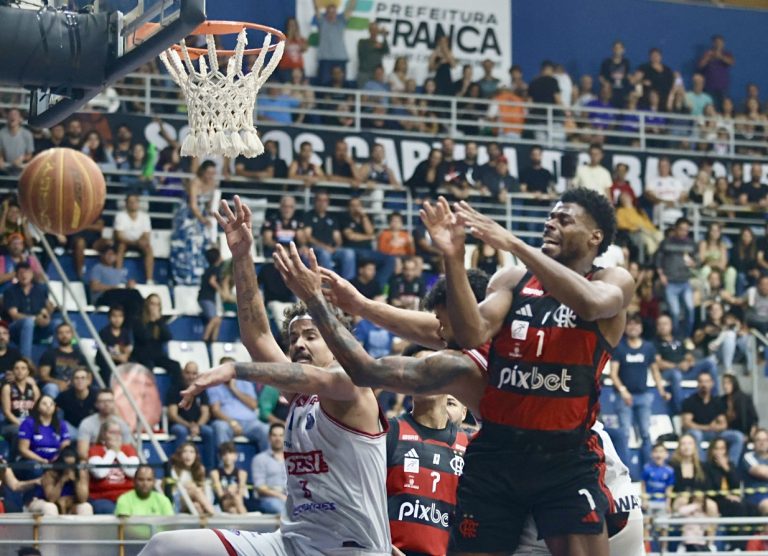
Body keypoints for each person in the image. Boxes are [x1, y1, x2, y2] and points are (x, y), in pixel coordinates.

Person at [292, 260, 645, 556]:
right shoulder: (507, 329)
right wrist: (362, 306)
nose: (439, 335)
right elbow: (430, 327)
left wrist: (319, 304)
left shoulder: (469, 364)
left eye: (445, 323)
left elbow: (368, 369)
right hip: (575, 462)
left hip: (573, 473)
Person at [138, 195, 390, 556]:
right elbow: (256, 335)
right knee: (164, 546)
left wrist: (234, 368)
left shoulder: (353, 385)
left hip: (351, 549)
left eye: (311, 336)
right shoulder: (299, 390)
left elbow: (322, 378)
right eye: (293, 338)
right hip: (289, 543)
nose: (299, 344)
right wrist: (242, 256)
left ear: (336, 343)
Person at [414, 189, 633, 554]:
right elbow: (470, 334)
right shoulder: (514, 280)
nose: (550, 222)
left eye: (564, 219)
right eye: (550, 216)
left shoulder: (613, 279)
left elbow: (591, 305)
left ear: (595, 237)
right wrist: (453, 258)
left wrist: (513, 242)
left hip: (564, 454)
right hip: (499, 451)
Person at [386, 359, 469, 555]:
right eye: (416, 373)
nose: (421, 378)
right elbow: (365, 498)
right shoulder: (389, 431)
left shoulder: (471, 446)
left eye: (429, 373)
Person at [610, 314, 668, 467]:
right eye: (629, 324)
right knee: (625, 434)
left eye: (636, 324)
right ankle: (625, 470)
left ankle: (647, 469)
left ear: (641, 328)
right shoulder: (620, 347)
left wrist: (662, 390)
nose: (633, 327)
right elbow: (613, 374)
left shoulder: (648, 347)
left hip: (643, 396)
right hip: (623, 397)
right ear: (625, 327)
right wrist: (623, 391)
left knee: (646, 434)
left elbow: (655, 371)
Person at [654, 314, 718, 415]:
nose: (663, 326)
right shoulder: (655, 343)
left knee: (710, 362)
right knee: (676, 375)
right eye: (660, 324)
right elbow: (658, 363)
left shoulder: (680, 339)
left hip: (686, 370)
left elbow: (689, 355)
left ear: (671, 325)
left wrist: (689, 362)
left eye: (665, 323)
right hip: (669, 373)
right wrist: (677, 366)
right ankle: (681, 409)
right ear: (657, 327)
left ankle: (715, 398)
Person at [208, 356, 269, 452]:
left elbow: (253, 405)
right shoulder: (214, 385)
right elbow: (215, 410)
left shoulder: (245, 382)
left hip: (250, 423)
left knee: (265, 429)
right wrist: (232, 422)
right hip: (227, 422)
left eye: (231, 368)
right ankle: (224, 464)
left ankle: (268, 463)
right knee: (220, 427)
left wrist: (234, 389)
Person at [681, 372, 745, 464]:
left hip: (714, 433)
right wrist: (706, 427)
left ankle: (731, 467)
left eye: (706, 382)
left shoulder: (717, 401)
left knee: (737, 436)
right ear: (697, 384)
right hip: (698, 432)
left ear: (712, 383)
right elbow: (687, 423)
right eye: (701, 382)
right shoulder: (689, 401)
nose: (704, 384)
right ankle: (702, 466)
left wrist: (716, 427)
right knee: (696, 434)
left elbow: (723, 424)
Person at [171, 161, 217, 285]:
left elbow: (208, 205)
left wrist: (209, 215)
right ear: (203, 171)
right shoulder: (195, 182)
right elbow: (192, 205)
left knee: (203, 244)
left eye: (213, 173)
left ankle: (198, 275)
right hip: (188, 216)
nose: (210, 175)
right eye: (208, 172)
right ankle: (184, 276)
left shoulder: (213, 184)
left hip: (202, 215)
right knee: (188, 243)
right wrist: (202, 219)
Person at [655, 217, 697, 339]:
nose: (684, 232)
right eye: (681, 229)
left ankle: (686, 337)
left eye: (686, 230)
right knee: (675, 312)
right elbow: (658, 260)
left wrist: (693, 263)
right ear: (676, 229)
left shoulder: (691, 244)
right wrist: (661, 275)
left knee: (690, 309)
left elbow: (698, 261)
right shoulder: (666, 242)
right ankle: (676, 337)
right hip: (670, 282)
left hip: (685, 282)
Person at [167, 361, 214, 471]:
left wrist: (197, 426)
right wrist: (189, 426)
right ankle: (179, 468)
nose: (190, 376)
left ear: (197, 374)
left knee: (209, 432)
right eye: (188, 373)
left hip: (197, 425)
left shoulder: (201, 389)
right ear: (183, 373)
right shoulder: (175, 388)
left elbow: (205, 412)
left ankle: (209, 470)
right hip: (180, 424)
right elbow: (172, 414)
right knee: (181, 431)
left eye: (194, 373)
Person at [86, 417, 139, 514]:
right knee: (111, 511)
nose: (116, 436)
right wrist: (111, 451)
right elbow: (100, 473)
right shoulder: (94, 450)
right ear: (103, 435)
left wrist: (118, 452)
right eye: (112, 433)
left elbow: (132, 473)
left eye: (118, 433)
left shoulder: (128, 449)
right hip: (102, 496)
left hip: (127, 495)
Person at [4, 261, 54, 358]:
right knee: (28, 322)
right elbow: (14, 315)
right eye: (21, 273)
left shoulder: (40, 290)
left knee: (58, 324)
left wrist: (46, 317)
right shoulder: (10, 291)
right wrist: (35, 319)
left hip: (37, 328)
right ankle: (25, 360)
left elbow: (45, 309)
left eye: (27, 272)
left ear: (31, 274)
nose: (24, 275)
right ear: (16, 276)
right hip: (15, 329)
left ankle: (56, 358)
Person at [303, 189, 355, 281]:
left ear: (328, 202)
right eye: (319, 200)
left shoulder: (332, 218)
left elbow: (338, 238)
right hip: (315, 249)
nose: (322, 203)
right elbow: (308, 237)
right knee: (325, 254)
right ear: (315, 201)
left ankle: (347, 284)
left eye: (325, 200)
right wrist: (325, 247)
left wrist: (336, 247)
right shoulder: (308, 216)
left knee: (349, 253)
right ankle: (330, 282)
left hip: (332, 249)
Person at [130, 294, 181, 385]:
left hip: (157, 356)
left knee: (175, 366)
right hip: (142, 356)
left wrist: (159, 321)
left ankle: (175, 395)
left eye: (157, 305)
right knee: (148, 366)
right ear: (147, 305)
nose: (154, 307)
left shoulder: (160, 322)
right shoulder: (138, 320)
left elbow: (168, 337)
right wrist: (151, 322)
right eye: (152, 304)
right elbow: (145, 337)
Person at [25, 446, 92, 515]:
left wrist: (76, 481)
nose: (69, 468)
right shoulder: (50, 473)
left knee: (85, 506)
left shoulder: (81, 473)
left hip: (69, 505)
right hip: (42, 502)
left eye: (71, 465)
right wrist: (62, 481)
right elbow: (51, 499)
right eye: (66, 465)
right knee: (50, 507)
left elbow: (83, 499)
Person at [76, 388, 133, 460]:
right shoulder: (87, 423)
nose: (106, 404)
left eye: (109, 401)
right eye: (102, 401)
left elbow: (127, 450)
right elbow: (82, 453)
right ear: (96, 404)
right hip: (94, 461)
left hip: (118, 461)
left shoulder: (122, 424)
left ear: (114, 403)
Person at [17, 395, 71, 469]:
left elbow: (66, 443)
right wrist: (41, 460)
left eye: (51, 404)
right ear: (38, 407)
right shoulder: (28, 423)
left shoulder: (61, 424)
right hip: (33, 461)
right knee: (36, 468)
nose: (48, 406)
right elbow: (23, 449)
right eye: (44, 404)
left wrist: (57, 457)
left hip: (56, 461)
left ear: (55, 407)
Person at [0, 357, 39, 458]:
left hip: (30, 421)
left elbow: (38, 410)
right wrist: (22, 424)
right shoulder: (7, 388)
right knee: (20, 431)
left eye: (23, 368)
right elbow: (7, 413)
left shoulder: (34, 388)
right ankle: (15, 459)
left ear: (28, 371)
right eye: (16, 368)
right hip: (11, 424)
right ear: (13, 371)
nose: (20, 371)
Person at [37, 323, 89, 398]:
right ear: (56, 336)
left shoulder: (79, 355)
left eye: (67, 332)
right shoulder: (49, 354)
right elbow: (43, 376)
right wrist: (59, 383)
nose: (64, 335)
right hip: (56, 386)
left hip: (75, 385)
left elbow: (88, 375)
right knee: (51, 387)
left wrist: (77, 384)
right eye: (61, 333)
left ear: (72, 335)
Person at [313, 0, 357, 85]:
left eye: (333, 11)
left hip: (340, 58)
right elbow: (316, 8)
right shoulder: (322, 21)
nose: (332, 14)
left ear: (336, 13)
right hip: (325, 59)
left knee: (341, 86)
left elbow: (350, 8)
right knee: (324, 85)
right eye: (329, 12)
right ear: (326, 13)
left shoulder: (341, 21)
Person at [114, 194, 154, 283]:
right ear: (126, 203)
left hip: (139, 243)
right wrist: (134, 242)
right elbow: (119, 236)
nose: (133, 204)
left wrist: (139, 241)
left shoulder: (145, 216)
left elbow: (146, 235)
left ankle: (149, 279)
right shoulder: (120, 216)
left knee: (148, 248)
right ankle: (117, 278)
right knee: (120, 247)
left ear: (138, 203)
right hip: (125, 242)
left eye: (135, 202)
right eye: (130, 202)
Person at [250, 423, 287, 515]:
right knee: (280, 507)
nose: (278, 439)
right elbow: (260, 487)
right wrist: (280, 496)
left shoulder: (294, 459)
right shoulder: (260, 459)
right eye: (274, 435)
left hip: (290, 497)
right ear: (269, 438)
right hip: (270, 499)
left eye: (281, 435)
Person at [169, 441, 215, 515]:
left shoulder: (200, 469)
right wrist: (185, 488)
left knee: (196, 506)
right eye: (185, 452)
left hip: (196, 501)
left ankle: (203, 525)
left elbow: (205, 491)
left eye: (191, 452)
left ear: (196, 455)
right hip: (179, 501)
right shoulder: (174, 470)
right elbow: (171, 492)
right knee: (195, 490)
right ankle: (214, 514)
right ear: (180, 455)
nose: (188, 455)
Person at [94, 305, 134, 385]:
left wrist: (124, 356)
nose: (117, 319)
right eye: (114, 316)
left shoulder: (126, 332)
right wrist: (118, 357)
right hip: (106, 359)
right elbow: (102, 350)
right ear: (109, 317)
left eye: (120, 316)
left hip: (120, 359)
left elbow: (128, 349)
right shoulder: (103, 332)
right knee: (107, 367)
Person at [55, 366, 96, 439]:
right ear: (72, 381)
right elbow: (54, 410)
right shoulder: (64, 396)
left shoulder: (96, 395)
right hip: (72, 430)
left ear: (88, 381)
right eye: (76, 378)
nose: (80, 381)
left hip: (91, 431)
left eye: (83, 378)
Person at [210, 441, 248, 514]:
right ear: (220, 457)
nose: (227, 457)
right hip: (222, 502)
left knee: (233, 510)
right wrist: (228, 491)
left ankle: (244, 521)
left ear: (236, 456)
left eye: (230, 453)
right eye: (224, 454)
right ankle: (247, 522)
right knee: (236, 499)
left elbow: (241, 494)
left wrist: (235, 490)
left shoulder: (242, 473)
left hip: (237, 502)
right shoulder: (215, 473)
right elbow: (220, 495)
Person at [697, 35, 734, 109]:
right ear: (713, 43)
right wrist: (707, 57)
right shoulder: (707, 53)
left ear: (723, 43)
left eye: (720, 42)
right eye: (716, 42)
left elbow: (731, 63)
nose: (718, 44)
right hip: (709, 85)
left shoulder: (727, 54)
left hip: (722, 86)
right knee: (709, 106)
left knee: (723, 106)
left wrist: (720, 56)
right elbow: (700, 66)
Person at [641, 443, 674, 521]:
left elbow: (669, 488)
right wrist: (644, 500)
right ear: (651, 454)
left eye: (661, 451)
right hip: (650, 502)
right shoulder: (647, 468)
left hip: (662, 502)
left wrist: (668, 503)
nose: (659, 454)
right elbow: (643, 485)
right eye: (656, 451)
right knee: (646, 524)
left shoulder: (669, 471)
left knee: (663, 525)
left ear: (666, 454)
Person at [721, 373, 759, 438]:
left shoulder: (744, 398)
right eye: (724, 383)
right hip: (725, 431)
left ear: (734, 383)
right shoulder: (722, 400)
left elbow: (753, 418)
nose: (725, 386)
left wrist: (751, 431)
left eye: (728, 383)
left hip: (742, 431)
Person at [198, 248, 223, 344]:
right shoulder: (215, 269)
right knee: (214, 319)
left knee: (218, 320)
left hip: (206, 298)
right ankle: (204, 339)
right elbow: (212, 281)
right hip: (206, 298)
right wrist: (220, 290)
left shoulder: (208, 269)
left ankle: (214, 340)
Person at [741, 428, 768, 515]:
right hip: (756, 495)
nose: (762, 442)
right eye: (758, 440)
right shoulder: (748, 456)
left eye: (765, 440)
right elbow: (762, 472)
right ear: (754, 443)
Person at [0, 108, 34, 175]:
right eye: (10, 115)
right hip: (5, 170)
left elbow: (30, 155)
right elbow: (0, 152)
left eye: (15, 114)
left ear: (20, 119)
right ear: (7, 118)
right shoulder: (1, 133)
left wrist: (21, 158)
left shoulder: (27, 134)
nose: (12, 116)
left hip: (22, 171)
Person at [357, 22, 389, 88]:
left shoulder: (380, 44)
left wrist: (384, 37)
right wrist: (374, 46)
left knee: (377, 94)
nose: (374, 32)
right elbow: (362, 51)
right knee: (363, 94)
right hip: (364, 73)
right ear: (369, 31)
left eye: (376, 30)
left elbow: (386, 51)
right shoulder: (362, 42)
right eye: (372, 30)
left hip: (376, 75)